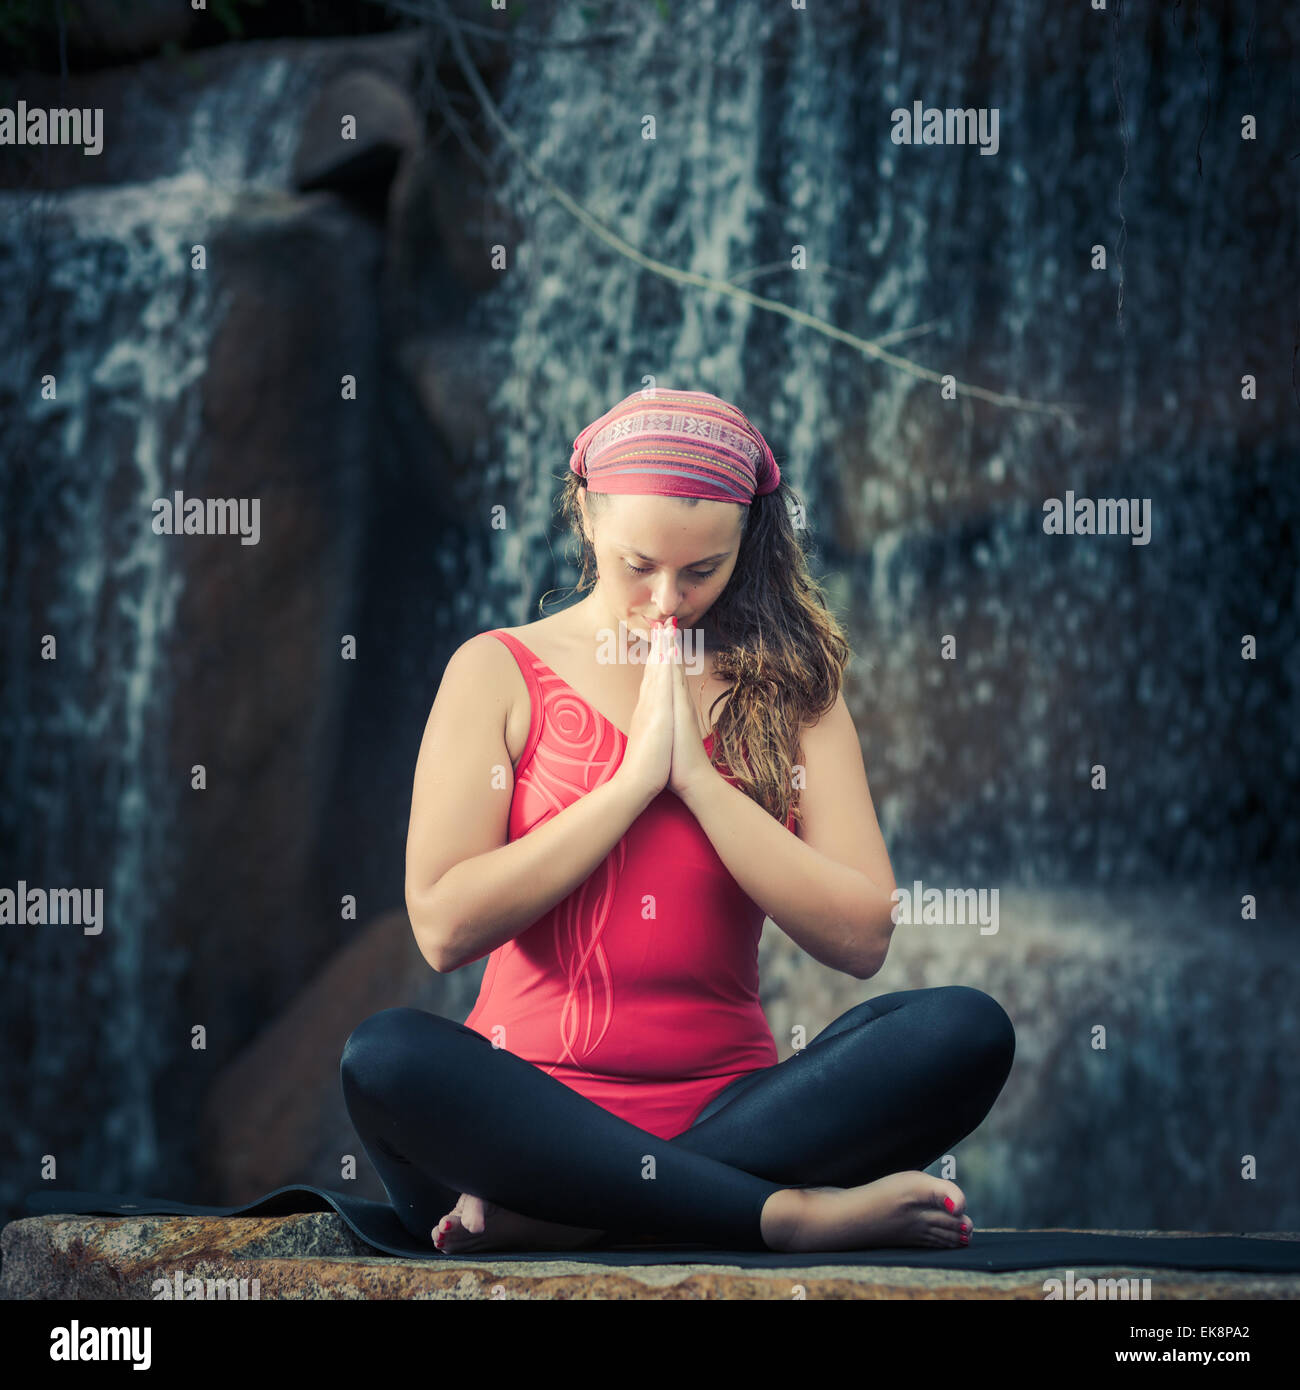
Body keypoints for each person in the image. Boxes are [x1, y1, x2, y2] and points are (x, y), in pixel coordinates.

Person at [340, 387, 1015, 1254]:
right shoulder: (496, 670)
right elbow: (442, 925)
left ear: (745, 543)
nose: (668, 601)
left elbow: (862, 936)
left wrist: (698, 780)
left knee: (962, 1030)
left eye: (703, 570)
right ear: (586, 516)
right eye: (640, 566)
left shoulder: (793, 689)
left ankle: (576, 1219)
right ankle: (776, 1215)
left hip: (738, 1114)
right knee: (387, 1058)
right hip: (523, 1126)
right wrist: (631, 785)